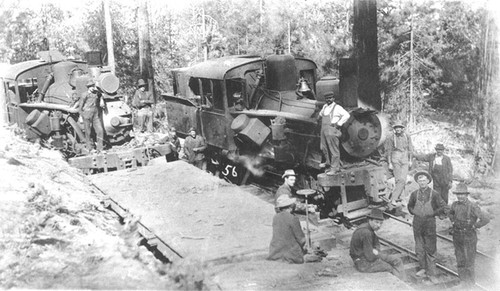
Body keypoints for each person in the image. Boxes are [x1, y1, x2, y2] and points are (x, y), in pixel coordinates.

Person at [407, 170, 446, 283]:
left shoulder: (434, 194)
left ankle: (432, 273)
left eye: (424, 180)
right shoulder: (414, 194)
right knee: (419, 248)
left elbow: (442, 206)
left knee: (430, 248)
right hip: (417, 223)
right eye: (420, 181)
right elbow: (409, 206)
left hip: (429, 223)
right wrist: (414, 212)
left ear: (428, 181)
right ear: (418, 182)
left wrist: (433, 213)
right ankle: (423, 268)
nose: (422, 182)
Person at [449, 182, 490, 287]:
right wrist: (453, 221)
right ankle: (462, 281)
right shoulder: (454, 205)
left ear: (466, 195)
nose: (460, 196)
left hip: (469, 235)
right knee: (460, 258)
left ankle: (471, 284)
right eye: (458, 194)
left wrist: (475, 226)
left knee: (469, 260)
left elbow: (485, 218)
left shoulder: (473, 206)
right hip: (457, 235)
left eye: (462, 194)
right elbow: (450, 213)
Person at [349, 208, 406, 280]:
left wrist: (376, 250)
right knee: (388, 267)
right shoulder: (366, 233)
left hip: (365, 258)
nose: (379, 225)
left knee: (397, 260)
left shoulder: (368, 228)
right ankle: (400, 284)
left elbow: (376, 244)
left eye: (381, 223)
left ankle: (403, 280)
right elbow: (370, 257)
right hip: (362, 263)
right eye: (376, 222)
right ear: (370, 220)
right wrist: (379, 256)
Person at [317, 91, 350, 175]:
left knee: (333, 149)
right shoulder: (325, 106)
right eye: (327, 98)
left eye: (330, 98)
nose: (328, 100)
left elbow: (347, 115)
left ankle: (335, 168)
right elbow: (320, 115)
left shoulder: (337, 107)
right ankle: (328, 163)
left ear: (333, 98)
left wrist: (339, 123)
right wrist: (318, 118)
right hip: (323, 129)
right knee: (323, 147)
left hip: (332, 129)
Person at [267, 195, 306, 264]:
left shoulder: (275, 217)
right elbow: (301, 239)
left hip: (275, 252)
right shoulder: (293, 218)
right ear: (290, 207)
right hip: (291, 254)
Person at [385, 120, 413, 211]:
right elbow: (389, 150)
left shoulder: (407, 136)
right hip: (395, 157)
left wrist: (410, 160)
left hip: (404, 157)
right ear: (394, 129)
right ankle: (403, 199)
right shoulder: (391, 137)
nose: (398, 129)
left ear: (402, 128)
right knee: (398, 179)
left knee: (403, 179)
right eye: (396, 128)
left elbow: (410, 148)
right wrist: (389, 163)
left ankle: (393, 198)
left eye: (399, 127)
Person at [79, 80, 105, 153]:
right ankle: (90, 148)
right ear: (88, 87)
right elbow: (80, 106)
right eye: (91, 87)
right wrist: (81, 116)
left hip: (95, 114)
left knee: (100, 130)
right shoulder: (84, 95)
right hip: (87, 113)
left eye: (93, 86)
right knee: (88, 132)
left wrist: (102, 100)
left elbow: (101, 94)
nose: (92, 88)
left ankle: (100, 149)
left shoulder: (96, 93)